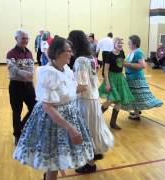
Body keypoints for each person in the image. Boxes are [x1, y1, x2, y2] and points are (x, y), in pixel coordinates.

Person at [13, 36, 94, 180]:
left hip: (66, 116)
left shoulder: (64, 69)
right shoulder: (48, 73)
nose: (71, 54)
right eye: (68, 51)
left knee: (56, 161)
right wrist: (71, 129)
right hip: (53, 121)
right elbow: (48, 107)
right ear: (57, 53)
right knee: (54, 162)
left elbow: (67, 90)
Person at [70, 30, 114, 173]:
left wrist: (64, 91)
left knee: (85, 131)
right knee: (92, 130)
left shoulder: (80, 60)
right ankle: (93, 155)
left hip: (85, 101)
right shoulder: (91, 57)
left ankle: (90, 163)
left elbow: (82, 85)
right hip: (93, 99)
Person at [122, 35, 163, 120]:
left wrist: (126, 64)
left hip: (136, 79)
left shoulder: (138, 52)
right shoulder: (132, 52)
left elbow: (142, 65)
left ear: (135, 43)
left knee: (138, 96)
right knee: (135, 96)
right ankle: (136, 113)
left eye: (129, 42)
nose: (128, 44)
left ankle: (137, 115)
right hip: (131, 78)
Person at [6, 29, 36, 145]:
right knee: (16, 112)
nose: (26, 40)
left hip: (28, 86)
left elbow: (31, 68)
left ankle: (22, 126)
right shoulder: (11, 53)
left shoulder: (29, 53)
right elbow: (12, 69)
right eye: (23, 38)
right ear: (16, 39)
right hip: (16, 87)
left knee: (35, 108)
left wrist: (30, 76)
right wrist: (25, 74)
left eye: (27, 38)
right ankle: (17, 135)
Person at [99, 37, 135, 129]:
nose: (120, 45)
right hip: (111, 78)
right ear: (114, 44)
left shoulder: (122, 53)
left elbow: (122, 64)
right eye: (118, 43)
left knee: (119, 101)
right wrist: (107, 83)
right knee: (110, 100)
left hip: (120, 78)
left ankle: (113, 123)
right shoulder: (109, 55)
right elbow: (106, 70)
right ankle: (97, 115)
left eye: (122, 43)